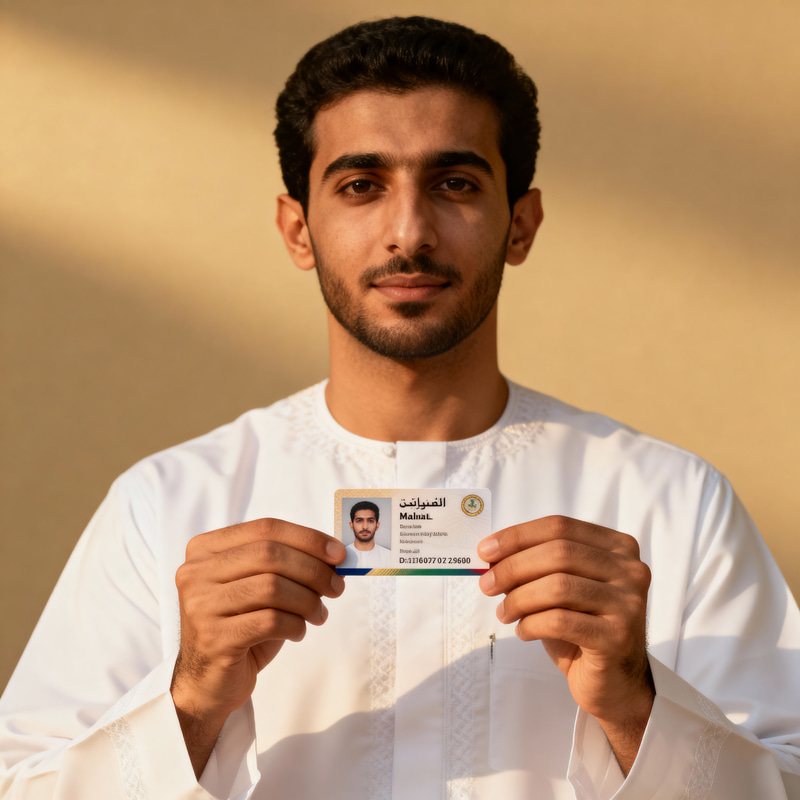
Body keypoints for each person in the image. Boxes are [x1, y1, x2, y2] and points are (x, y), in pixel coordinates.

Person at [1, 14, 800, 800]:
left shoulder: (672, 503)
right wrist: (190, 702)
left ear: (520, 223)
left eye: (454, 183)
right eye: (360, 186)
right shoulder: (168, 507)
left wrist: (637, 707)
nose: (409, 232)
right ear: (298, 230)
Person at [342, 501, 392, 569]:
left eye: (370, 521)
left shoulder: (389, 556)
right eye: (359, 521)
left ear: (377, 525)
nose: (365, 527)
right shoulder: (342, 556)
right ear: (352, 525)